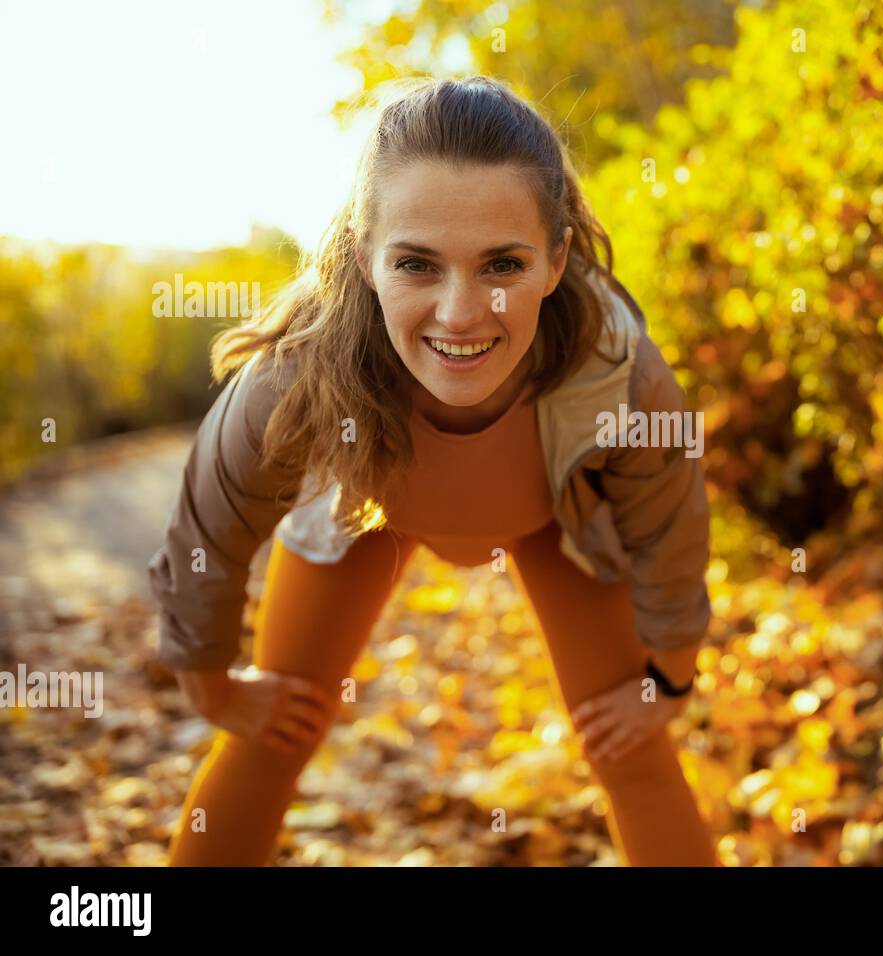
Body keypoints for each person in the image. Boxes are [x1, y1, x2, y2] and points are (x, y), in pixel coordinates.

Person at [147, 75, 717, 867]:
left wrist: (671, 679)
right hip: (363, 503)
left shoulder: (618, 371)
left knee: (632, 749)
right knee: (273, 731)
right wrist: (212, 683)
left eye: (502, 266)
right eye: (417, 264)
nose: (460, 313)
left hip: (556, 516)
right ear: (363, 256)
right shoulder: (299, 372)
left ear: (556, 261)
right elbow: (208, 529)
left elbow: (671, 527)